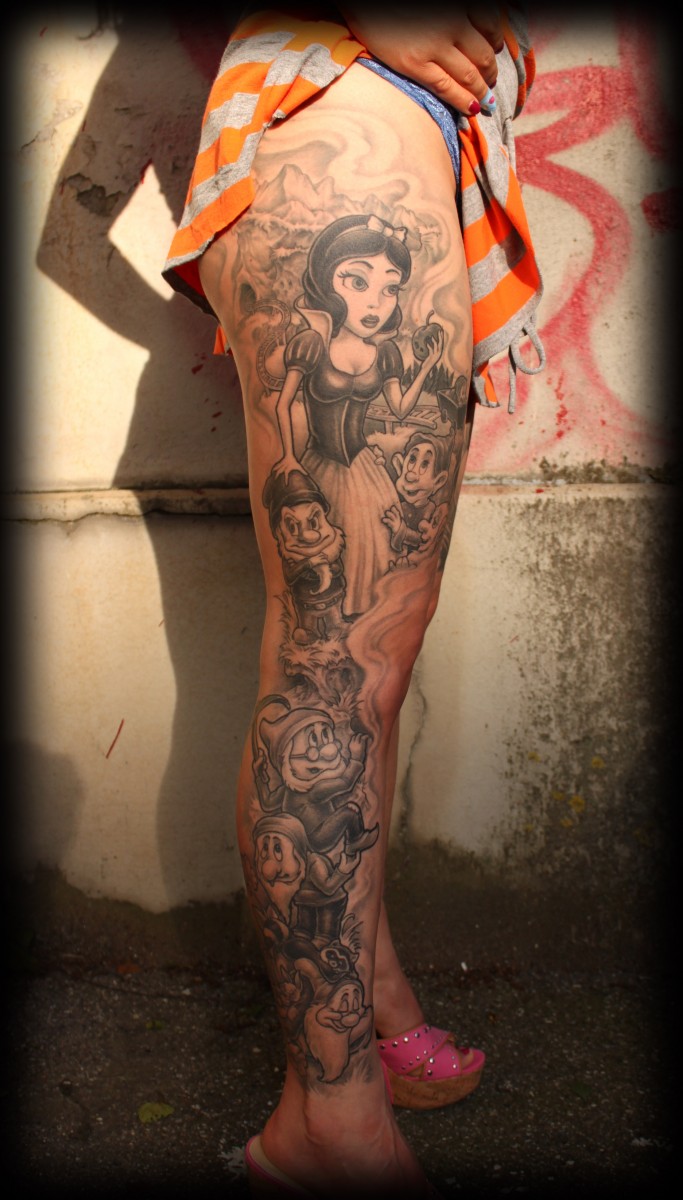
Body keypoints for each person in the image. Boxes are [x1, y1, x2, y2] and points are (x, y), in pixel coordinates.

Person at [163, 4, 543, 1195]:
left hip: (399, 146)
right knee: (337, 670)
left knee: (367, 668)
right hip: (343, 135)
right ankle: (325, 1127)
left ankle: (370, 1008)